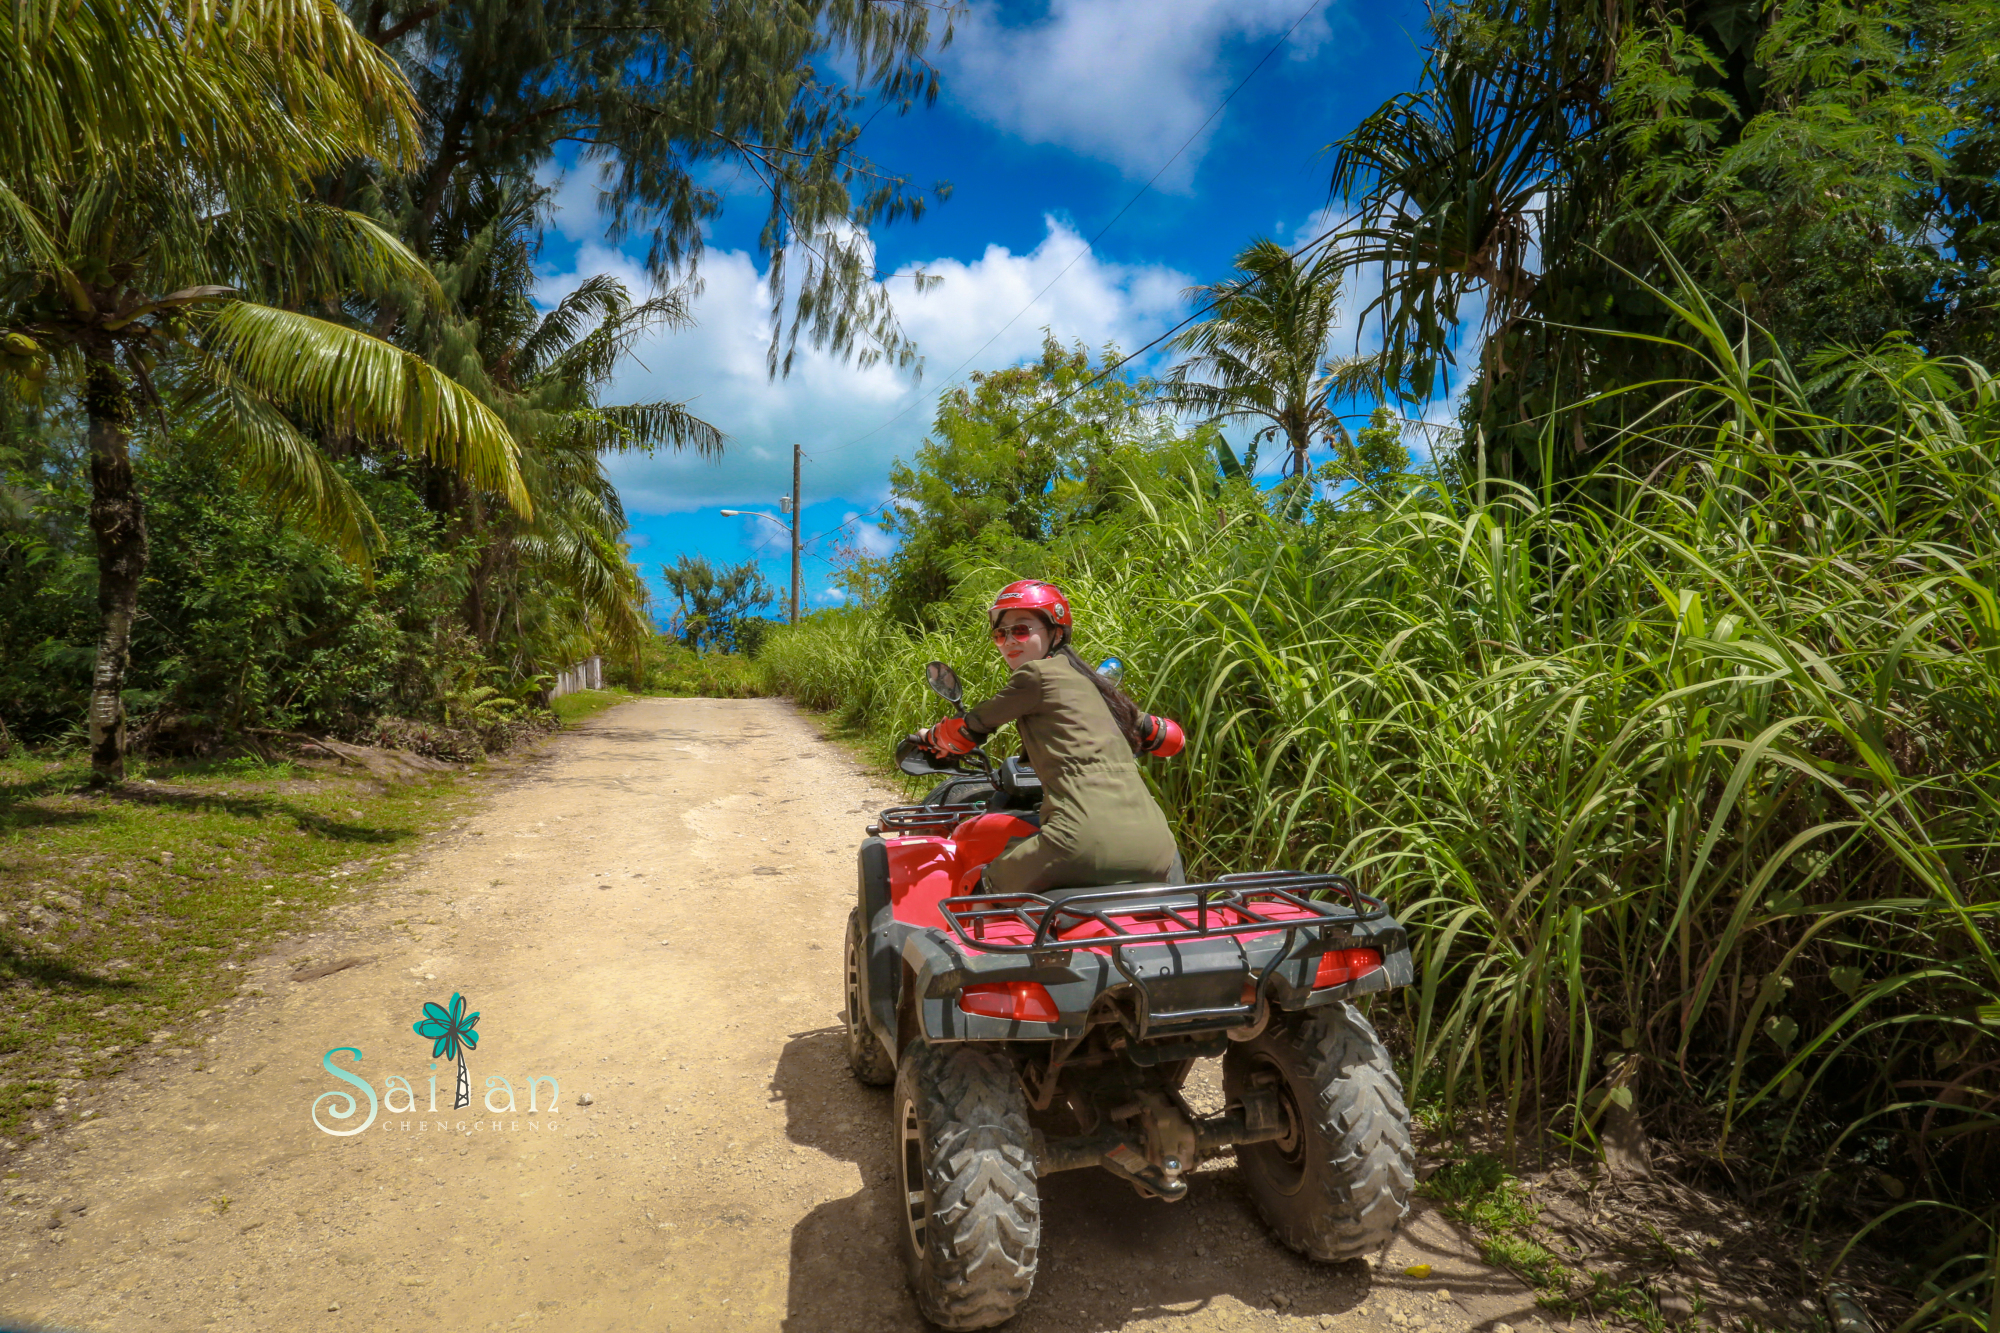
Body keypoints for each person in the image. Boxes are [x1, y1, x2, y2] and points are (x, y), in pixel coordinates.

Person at [919, 580, 1185, 896]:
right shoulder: (1096, 685)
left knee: (978, 887)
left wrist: (934, 736)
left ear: (1055, 632)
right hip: (1156, 847)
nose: (1008, 642)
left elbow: (970, 727)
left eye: (1020, 630)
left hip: (1077, 845)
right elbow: (1171, 739)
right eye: (999, 634)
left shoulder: (1035, 676)